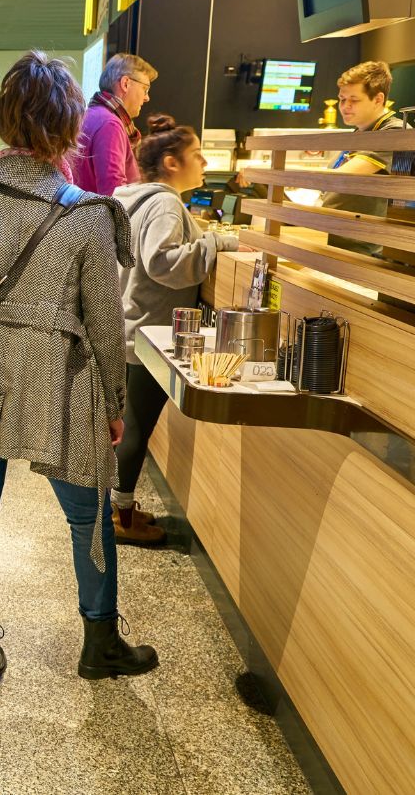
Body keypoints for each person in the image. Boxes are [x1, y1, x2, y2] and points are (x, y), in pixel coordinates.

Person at [0, 51, 159, 698]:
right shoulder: (88, 214)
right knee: (89, 517)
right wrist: (114, 399)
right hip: (57, 383)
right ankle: (99, 643)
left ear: (5, 118)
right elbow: (107, 326)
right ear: (71, 126)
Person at [112, 115, 240, 547]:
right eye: (197, 154)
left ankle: (117, 507)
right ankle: (121, 518)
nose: (204, 162)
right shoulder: (165, 202)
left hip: (129, 326)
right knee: (135, 428)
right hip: (148, 331)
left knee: (128, 426)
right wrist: (218, 243)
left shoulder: (134, 198)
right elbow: (163, 262)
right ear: (171, 162)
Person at [320, 60, 408, 256]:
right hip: (332, 240)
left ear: (378, 99)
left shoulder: (392, 132)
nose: (345, 106)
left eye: (354, 100)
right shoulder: (359, 133)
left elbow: (342, 176)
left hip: (361, 249)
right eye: (342, 99)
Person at [72, 53, 157, 197]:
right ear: (125, 83)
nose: (147, 97)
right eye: (145, 89)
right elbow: (114, 193)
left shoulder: (90, 116)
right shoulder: (110, 124)